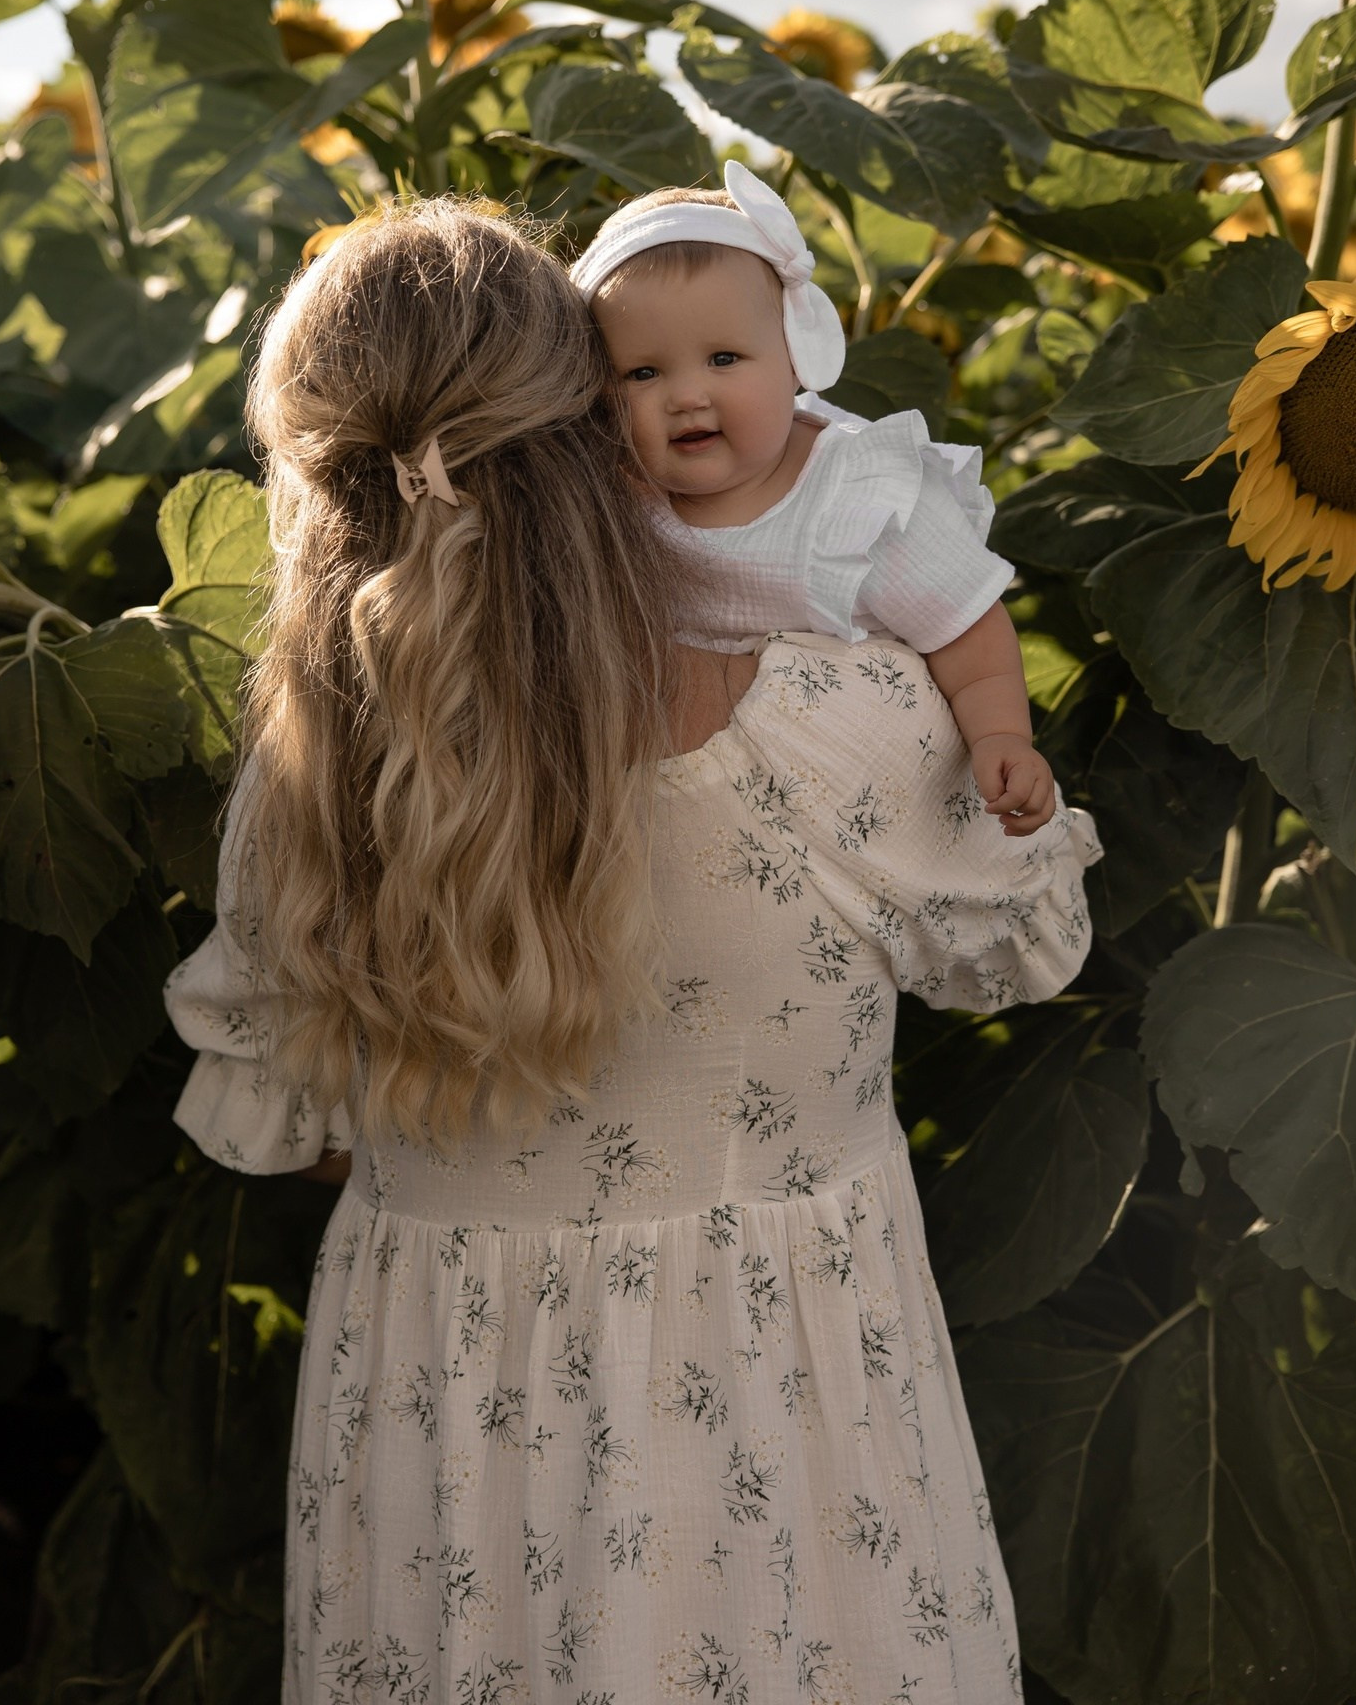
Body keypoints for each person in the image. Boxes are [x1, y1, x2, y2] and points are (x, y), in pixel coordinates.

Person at [165, 196, 1100, 1705]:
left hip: (441, 1427)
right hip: (784, 1413)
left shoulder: (308, 787)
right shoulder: (829, 727)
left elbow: (295, 1131)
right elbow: (1023, 952)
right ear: (593, 423)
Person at [570, 161, 1058, 837]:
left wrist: (1002, 736)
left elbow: (966, 627)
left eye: (723, 360)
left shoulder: (858, 501)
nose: (686, 395)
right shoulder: (614, 499)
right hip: (707, 806)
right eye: (643, 373)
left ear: (795, 357)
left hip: (870, 805)